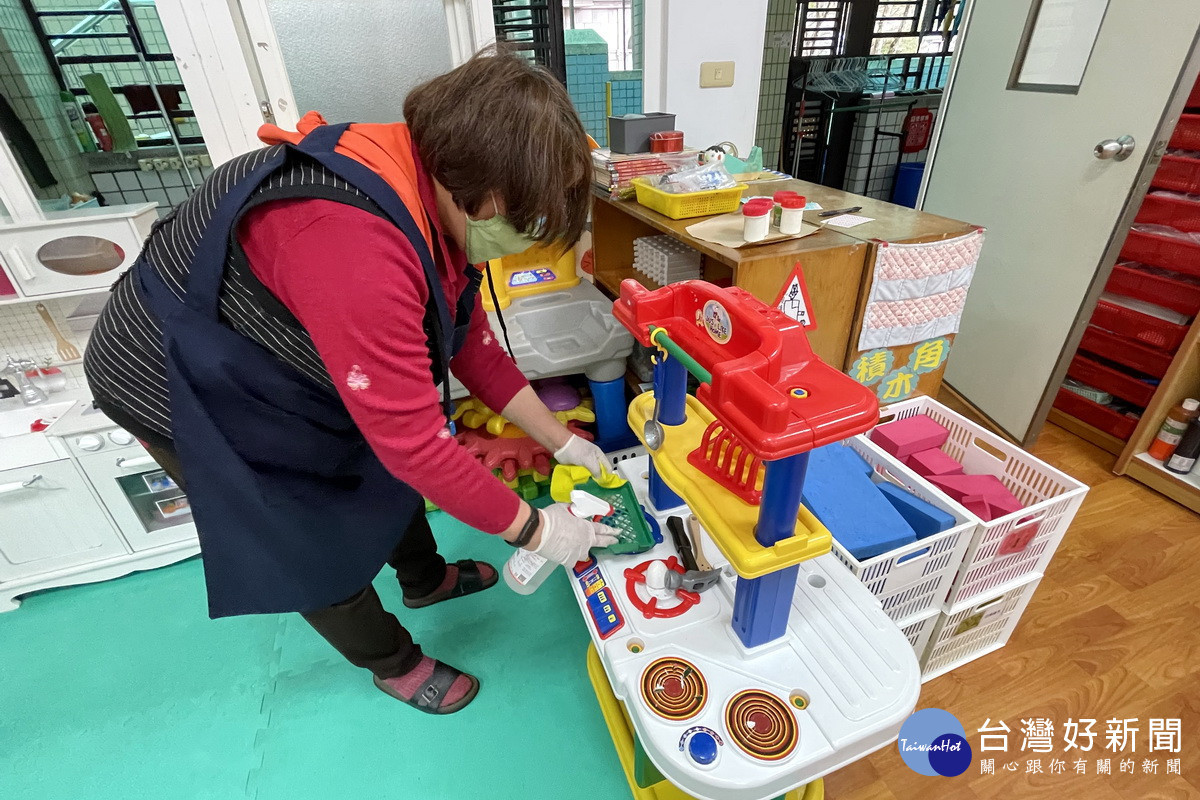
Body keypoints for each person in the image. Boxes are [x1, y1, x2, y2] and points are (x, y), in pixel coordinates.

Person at [83, 49, 617, 715]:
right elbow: (418, 446)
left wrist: (560, 440)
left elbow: (466, 340)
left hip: (283, 348)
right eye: (528, 213)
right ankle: (391, 661)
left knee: (377, 466)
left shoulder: (426, 183)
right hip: (175, 375)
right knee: (298, 529)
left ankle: (426, 579)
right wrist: (537, 531)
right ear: (474, 177)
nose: (529, 232)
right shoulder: (356, 246)